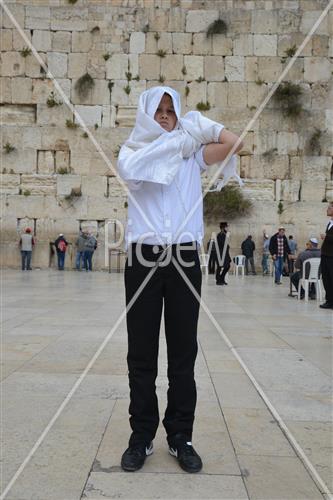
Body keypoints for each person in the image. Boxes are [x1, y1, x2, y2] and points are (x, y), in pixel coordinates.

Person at [117, 86, 243, 473]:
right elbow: (135, 172)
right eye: (159, 110)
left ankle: (180, 436)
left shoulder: (192, 154)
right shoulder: (132, 153)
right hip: (144, 258)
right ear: (146, 114)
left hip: (185, 259)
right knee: (141, 353)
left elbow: (234, 144)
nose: (166, 116)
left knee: (183, 352)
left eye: (172, 110)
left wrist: (200, 125)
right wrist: (180, 141)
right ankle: (141, 437)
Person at [320, 202, 333, 309]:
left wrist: (326, 237)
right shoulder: (330, 222)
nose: (327, 210)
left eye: (329, 208)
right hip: (325, 254)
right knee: (326, 278)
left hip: (331, 256)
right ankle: (329, 300)